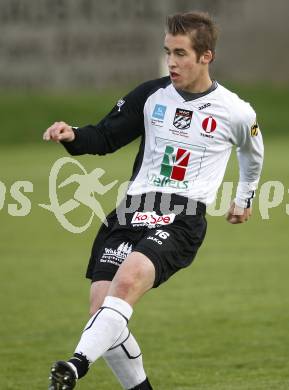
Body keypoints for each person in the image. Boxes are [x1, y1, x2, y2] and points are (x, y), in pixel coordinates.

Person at [43, 11, 264, 390]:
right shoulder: (150, 95)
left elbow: (252, 153)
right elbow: (105, 136)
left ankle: (76, 365)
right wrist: (72, 136)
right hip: (132, 210)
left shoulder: (235, 111)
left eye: (180, 53)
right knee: (101, 312)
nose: (172, 62)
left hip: (181, 217)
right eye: (167, 52)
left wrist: (243, 197)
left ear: (205, 56)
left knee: (126, 283)